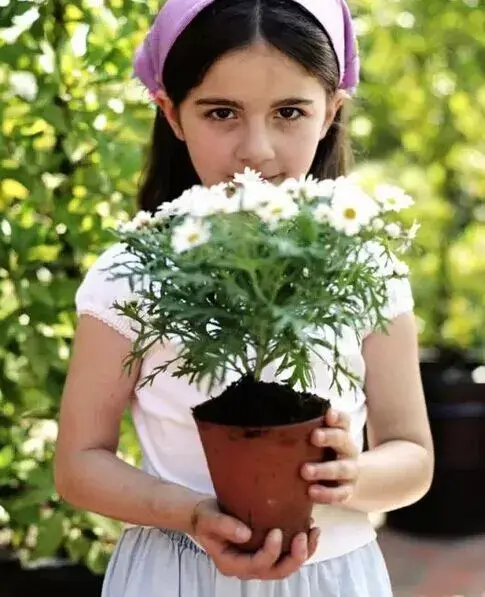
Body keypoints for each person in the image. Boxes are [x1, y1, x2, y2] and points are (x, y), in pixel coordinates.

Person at [54, 0, 434, 595]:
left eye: (289, 111)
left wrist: (350, 474)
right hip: (177, 571)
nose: (256, 149)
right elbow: (79, 464)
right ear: (172, 114)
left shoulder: (367, 267)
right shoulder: (132, 272)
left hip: (333, 574)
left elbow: (413, 457)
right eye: (221, 112)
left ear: (331, 111)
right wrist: (188, 512)